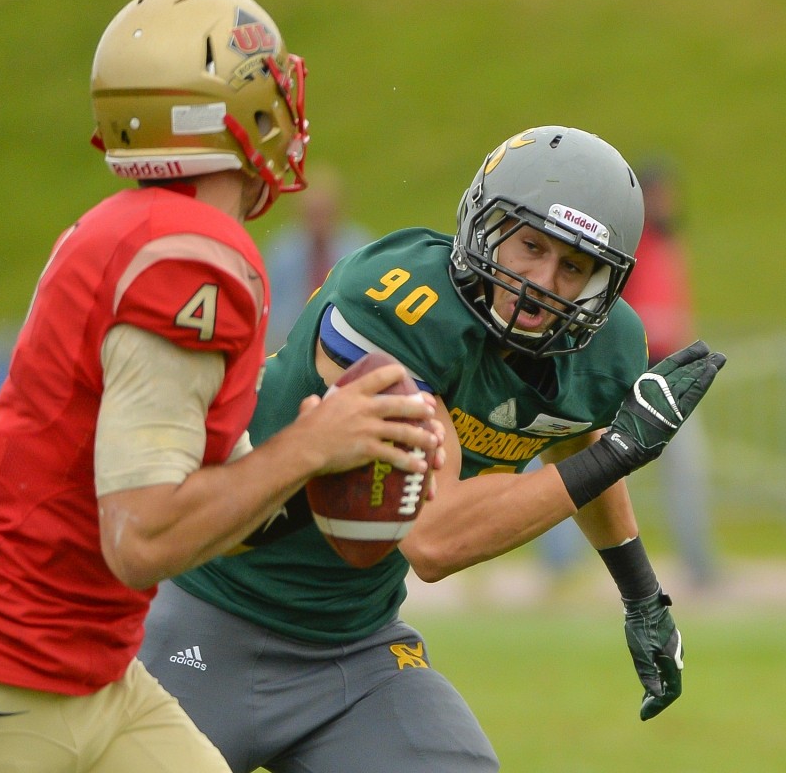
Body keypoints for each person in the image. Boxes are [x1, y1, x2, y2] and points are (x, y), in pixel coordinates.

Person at [0, 0, 444, 772]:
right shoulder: (193, 258)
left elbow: (203, 508)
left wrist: (344, 460)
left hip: (87, 677)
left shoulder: (135, 230)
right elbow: (140, 535)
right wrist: (305, 448)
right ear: (235, 108)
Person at [140, 126, 725, 772]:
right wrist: (619, 451)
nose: (542, 283)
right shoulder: (396, 299)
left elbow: (572, 440)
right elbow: (435, 541)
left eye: (574, 267)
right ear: (486, 222)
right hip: (207, 613)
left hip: (354, 651)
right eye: (530, 245)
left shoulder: (602, 345)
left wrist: (641, 592)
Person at [621, 158, 718, 585]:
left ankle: (699, 564)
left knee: (689, 471)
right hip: (631, 369)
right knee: (583, 462)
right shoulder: (630, 243)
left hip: (672, 370)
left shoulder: (668, 243)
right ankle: (562, 564)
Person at [263, 166, 371, 352]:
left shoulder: (359, 250)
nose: (318, 221)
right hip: (292, 345)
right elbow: (271, 310)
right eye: (312, 213)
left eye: (323, 212)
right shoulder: (283, 253)